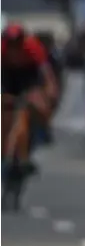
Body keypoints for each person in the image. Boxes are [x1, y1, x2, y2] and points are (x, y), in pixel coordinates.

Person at [1, 23, 59, 173]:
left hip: (28, 77)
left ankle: (40, 131)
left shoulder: (33, 47)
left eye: (17, 44)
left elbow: (46, 73)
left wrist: (50, 91)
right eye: (10, 44)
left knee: (36, 104)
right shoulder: (2, 50)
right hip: (8, 77)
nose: (14, 49)